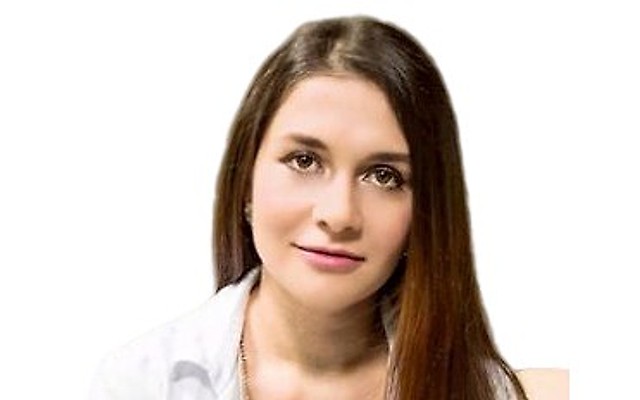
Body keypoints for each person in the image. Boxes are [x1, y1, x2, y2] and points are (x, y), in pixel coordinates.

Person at [89, 15, 568, 400]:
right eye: (304, 160)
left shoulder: (487, 390)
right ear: (246, 183)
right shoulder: (140, 382)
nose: (339, 215)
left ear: (427, 212)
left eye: (384, 175)